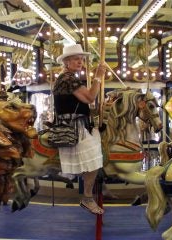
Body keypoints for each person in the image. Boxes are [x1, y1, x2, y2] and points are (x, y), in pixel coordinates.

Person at [53, 44, 106, 215]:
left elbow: (81, 103)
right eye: (76, 59)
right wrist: (98, 77)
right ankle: (87, 197)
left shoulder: (67, 78)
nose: (80, 62)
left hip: (78, 122)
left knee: (97, 152)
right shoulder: (68, 79)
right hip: (73, 126)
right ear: (66, 62)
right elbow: (90, 96)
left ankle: (97, 188)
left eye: (82, 60)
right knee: (94, 159)